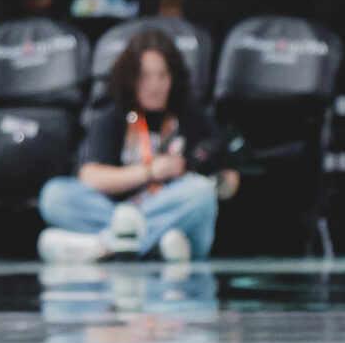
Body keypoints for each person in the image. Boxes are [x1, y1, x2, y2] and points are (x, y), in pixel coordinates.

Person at [37, 29, 229, 261]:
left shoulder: (191, 115)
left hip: (175, 214)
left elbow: (228, 179)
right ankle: (150, 244)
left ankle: (104, 245)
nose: (154, 86)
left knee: (200, 193)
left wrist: (214, 179)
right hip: (123, 213)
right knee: (54, 194)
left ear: (174, 78)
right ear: (131, 79)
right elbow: (91, 176)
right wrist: (149, 172)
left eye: (162, 76)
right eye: (145, 76)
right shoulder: (115, 115)